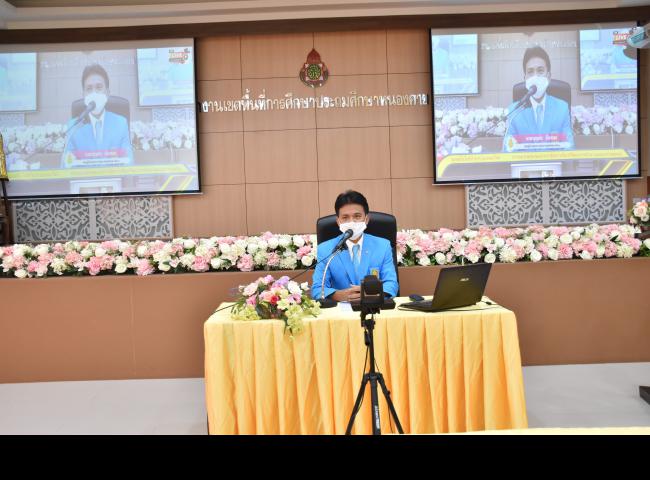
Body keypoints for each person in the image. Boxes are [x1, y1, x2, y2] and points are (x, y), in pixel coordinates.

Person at [311, 190, 398, 302]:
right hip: (341, 309)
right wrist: (338, 295)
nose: (351, 222)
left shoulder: (383, 245)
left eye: (357, 216)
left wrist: (370, 294)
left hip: (374, 306)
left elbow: (391, 284)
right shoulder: (325, 249)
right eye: (345, 217)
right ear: (338, 222)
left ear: (366, 219)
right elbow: (318, 289)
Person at [503, 46, 574, 151]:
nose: (535, 76)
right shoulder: (514, 111)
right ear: (525, 78)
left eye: (540, 71)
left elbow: (569, 148)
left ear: (548, 77)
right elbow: (508, 151)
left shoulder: (562, 108)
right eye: (530, 72)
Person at [62, 64, 133, 167]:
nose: (94, 93)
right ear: (83, 95)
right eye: (89, 89)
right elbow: (67, 167)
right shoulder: (74, 127)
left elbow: (128, 163)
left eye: (99, 87)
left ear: (107, 93)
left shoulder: (121, 123)